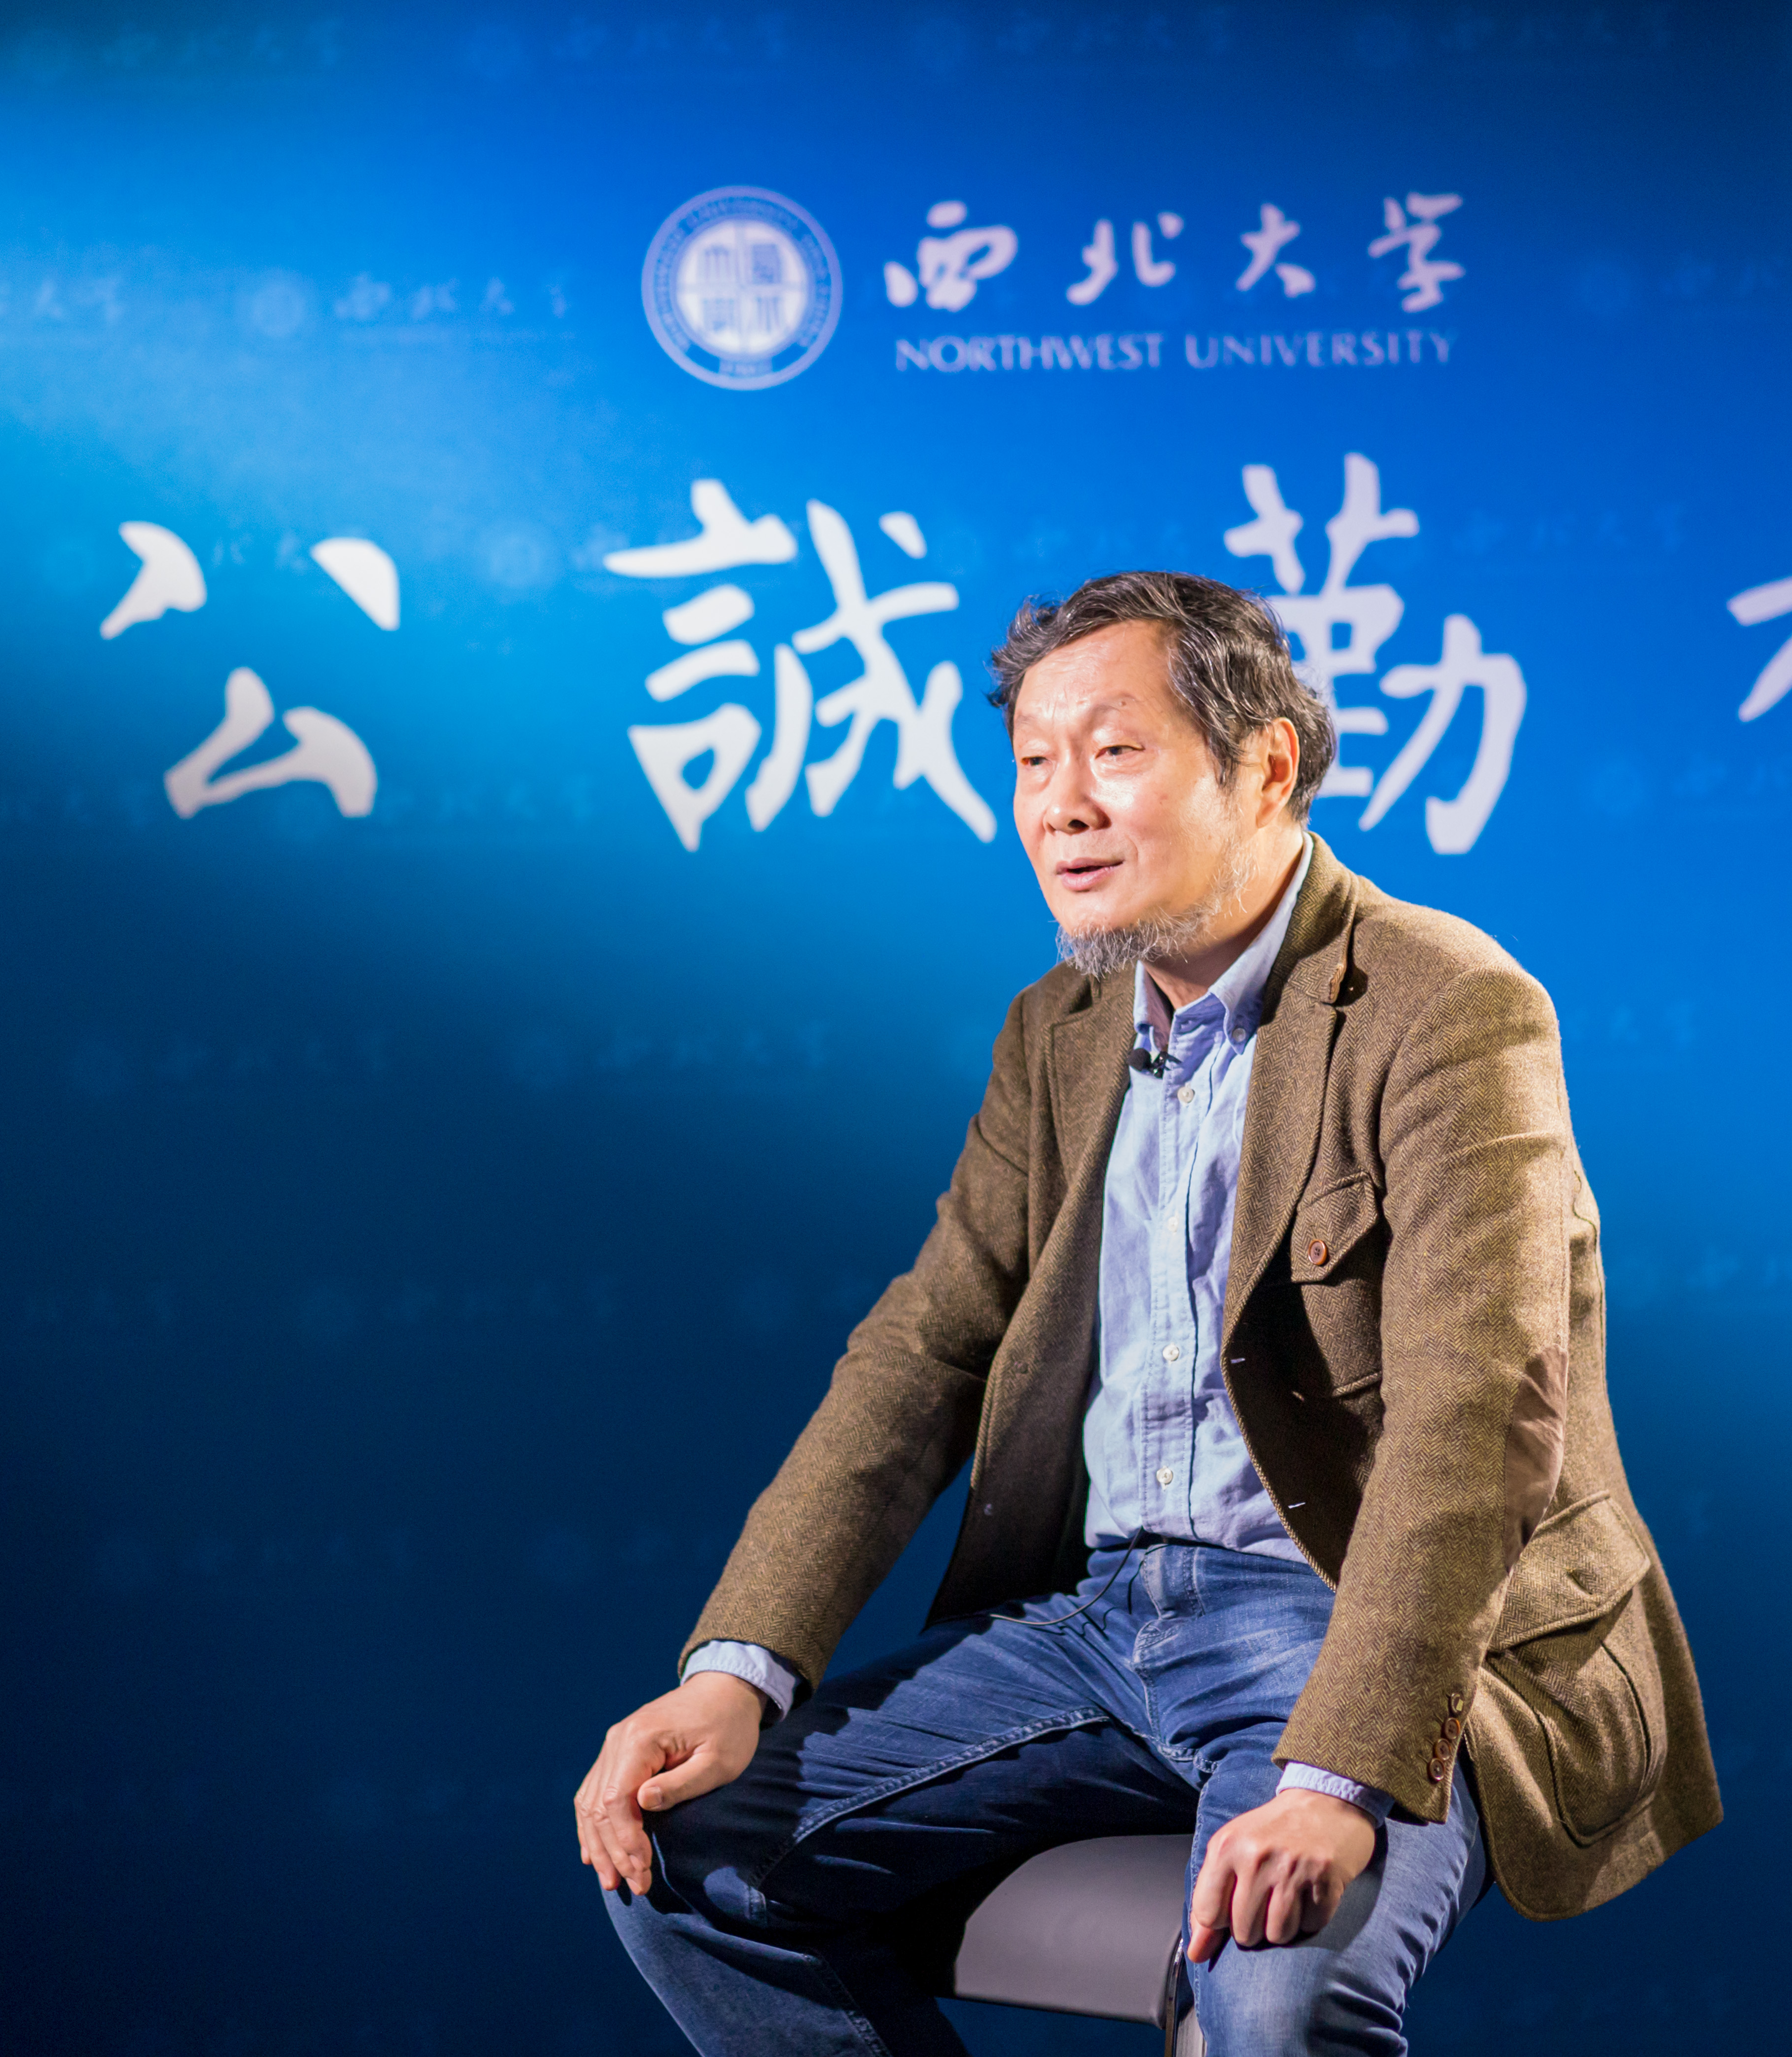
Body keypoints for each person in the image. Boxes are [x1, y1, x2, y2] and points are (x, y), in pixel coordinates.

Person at [577, 571, 1717, 2056]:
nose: (1062, 806)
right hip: (1099, 1619)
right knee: (683, 1852)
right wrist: (742, 1668)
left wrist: (1339, 1775)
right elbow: (921, 1357)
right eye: (1034, 763)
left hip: (1345, 1609)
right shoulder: (1055, 1029)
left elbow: (1474, 1414)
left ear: (1267, 769)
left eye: (1115, 752)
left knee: (1280, 1992)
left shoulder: (1446, 1005)